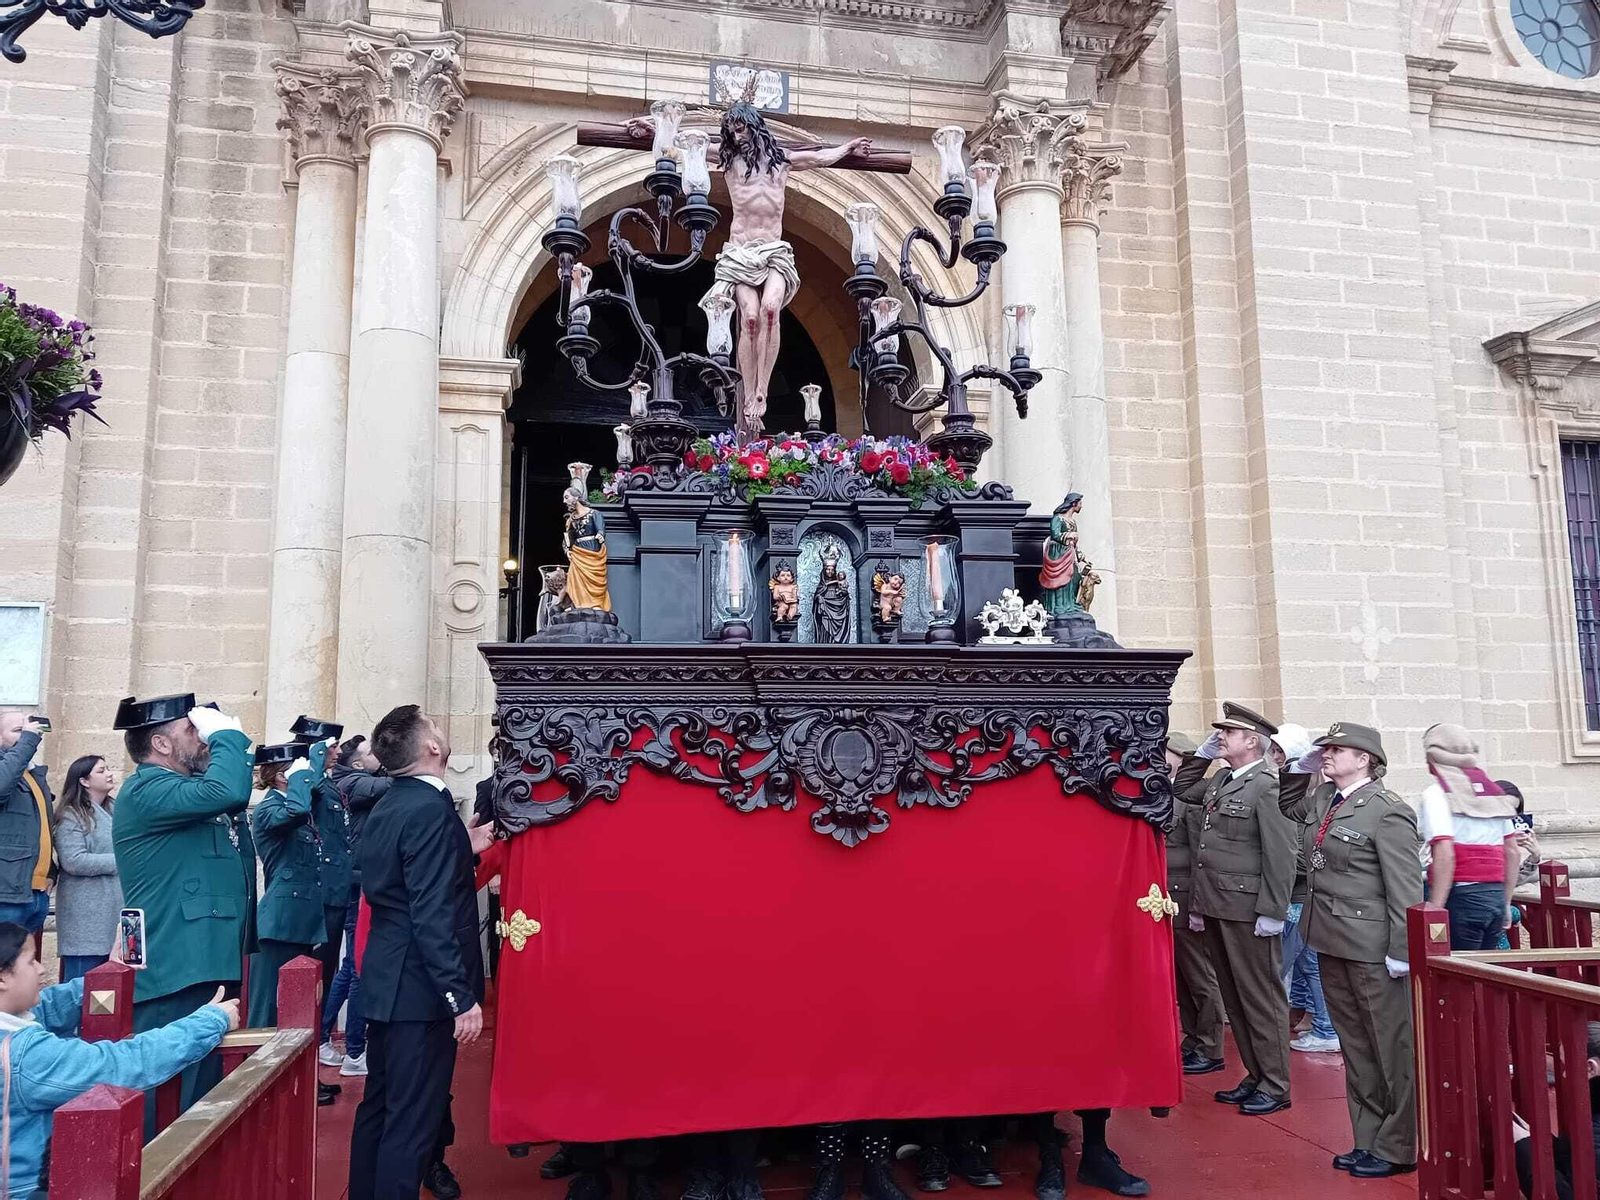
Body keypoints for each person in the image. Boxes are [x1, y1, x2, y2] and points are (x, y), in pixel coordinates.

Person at [348, 705, 493, 1200]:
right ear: (431, 747)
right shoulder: (429, 808)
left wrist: (461, 843)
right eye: (435, 727)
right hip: (420, 988)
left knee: (380, 1107)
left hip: (388, 979)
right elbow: (430, 911)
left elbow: (399, 878)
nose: (441, 732)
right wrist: (459, 995)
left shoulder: (394, 803)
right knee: (411, 1120)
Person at [0, 921, 241, 1199]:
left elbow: (48, 1005)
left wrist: (110, 976)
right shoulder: (23, 1055)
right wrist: (210, 1021)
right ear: (3, 978)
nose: (42, 969)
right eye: (31, 962)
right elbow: (122, 1064)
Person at [1281, 722, 1421, 1178]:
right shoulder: (1325, 799)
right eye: (1324, 749)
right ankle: (1368, 1139)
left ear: (1364, 758)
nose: (1327, 754)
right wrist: (1299, 768)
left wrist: (1401, 949)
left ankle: (1399, 1145)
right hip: (1329, 938)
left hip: (1372, 947)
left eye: (1336, 749)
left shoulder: (1387, 810)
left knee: (1390, 1049)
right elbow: (1288, 805)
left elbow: (1404, 886)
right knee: (1356, 1046)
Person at [111, 693, 253, 1138]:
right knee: (167, 1102)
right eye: (193, 731)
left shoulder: (184, 794)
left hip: (201, 960)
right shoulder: (149, 787)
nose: (203, 739)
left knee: (201, 1100)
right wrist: (227, 735)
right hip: (175, 964)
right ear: (162, 744)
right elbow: (230, 789)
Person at [1186, 702, 1297, 1116]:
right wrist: (1200, 758)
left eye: (1228, 733)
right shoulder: (1221, 780)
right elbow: (1182, 791)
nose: (1220, 738)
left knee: (1260, 998)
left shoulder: (1269, 785)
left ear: (1252, 741)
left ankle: (1276, 1083)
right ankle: (1256, 1074)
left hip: (1248, 908)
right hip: (1217, 902)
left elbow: (1281, 854)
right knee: (1234, 996)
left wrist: (1273, 910)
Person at [1266, 724, 1339, 1056]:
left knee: (1304, 964)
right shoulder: (1306, 796)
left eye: (1282, 753)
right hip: (1300, 894)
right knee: (1307, 964)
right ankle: (1315, 1019)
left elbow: (1300, 853)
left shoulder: (1311, 799)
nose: (1276, 759)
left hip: (1299, 895)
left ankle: (1325, 1026)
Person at [248, 741, 330, 1029]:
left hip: (300, 918)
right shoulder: (270, 809)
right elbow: (296, 809)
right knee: (268, 1006)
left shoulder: (298, 804)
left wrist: (320, 752)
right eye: (297, 771)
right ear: (283, 776)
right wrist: (304, 774)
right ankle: (258, 1070)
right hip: (280, 923)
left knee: (298, 1004)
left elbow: (314, 792)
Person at [1419, 723, 1519, 952]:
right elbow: (1512, 851)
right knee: (1486, 974)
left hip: (1462, 897)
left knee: (1457, 978)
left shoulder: (1436, 794)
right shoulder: (1495, 794)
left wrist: (1435, 910)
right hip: (1494, 896)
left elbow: (1445, 852)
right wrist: (1505, 902)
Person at [321, 733, 387, 1076]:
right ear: (359, 762)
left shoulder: (356, 779)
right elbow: (389, 786)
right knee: (358, 966)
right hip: (357, 885)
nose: (380, 755)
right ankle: (355, 1052)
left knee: (351, 967)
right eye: (372, 752)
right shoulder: (356, 782)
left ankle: (327, 1038)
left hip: (358, 881)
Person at [1165, 732, 1226, 1076]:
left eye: (1167, 752)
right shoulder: (1159, 787)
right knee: (1182, 977)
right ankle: (1194, 1039)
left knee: (1200, 976)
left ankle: (1210, 1045)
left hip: (1187, 896)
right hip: (1165, 897)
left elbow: (1199, 853)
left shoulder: (1193, 796)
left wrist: (1199, 905)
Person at [51, 755, 122, 983]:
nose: (109, 773)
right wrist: (121, 861)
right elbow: (73, 860)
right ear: (84, 781)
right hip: (86, 919)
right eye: (101, 771)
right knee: (82, 988)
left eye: (108, 768)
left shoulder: (116, 810)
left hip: (114, 910)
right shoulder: (71, 814)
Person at [0, 713, 53, 937]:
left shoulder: (32, 774)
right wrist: (29, 740)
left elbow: (44, 830)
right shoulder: (9, 770)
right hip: (6, 894)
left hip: (35, 892)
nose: (26, 735)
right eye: (17, 731)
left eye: (28, 729)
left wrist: (52, 872)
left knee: (20, 967)